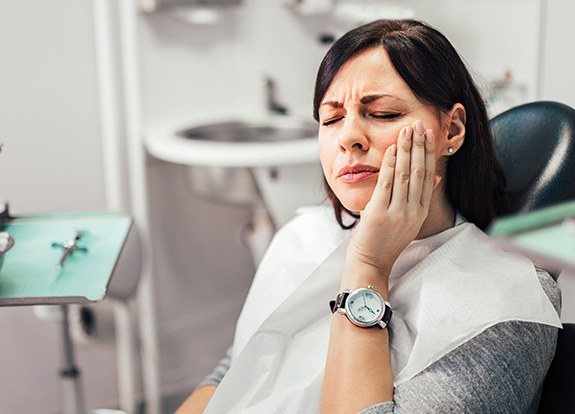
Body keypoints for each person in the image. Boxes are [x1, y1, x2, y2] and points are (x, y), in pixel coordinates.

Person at [177, 19, 561, 414]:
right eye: (331, 119)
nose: (348, 137)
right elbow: (233, 374)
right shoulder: (304, 236)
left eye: (382, 113)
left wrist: (369, 266)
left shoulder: (508, 303)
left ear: (452, 130)